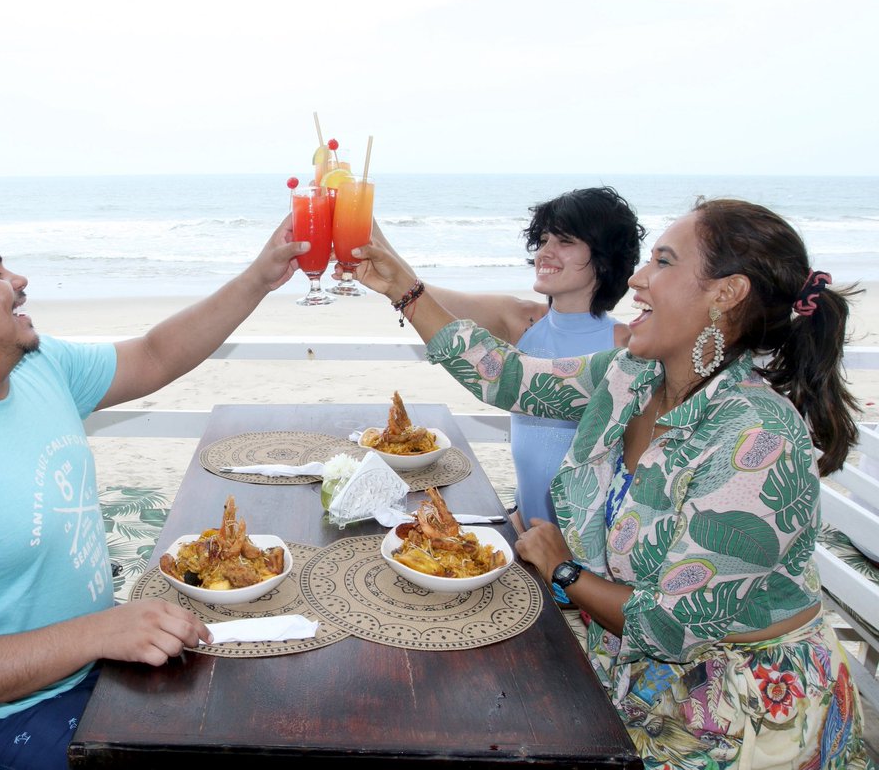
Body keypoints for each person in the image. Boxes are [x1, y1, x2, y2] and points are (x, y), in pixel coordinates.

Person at [350, 198, 873, 768]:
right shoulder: (633, 373)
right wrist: (403, 288)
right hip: (629, 668)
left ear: (726, 293)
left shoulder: (756, 441)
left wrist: (561, 567)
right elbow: (508, 378)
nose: (638, 279)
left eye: (664, 263)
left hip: (736, 714)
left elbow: (669, 626)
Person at [0, 204, 305, 770]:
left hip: (95, 665)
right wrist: (97, 633)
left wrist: (260, 277)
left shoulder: (35, 367)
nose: (19, 282)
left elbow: (154, 355)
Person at [379, 187, 644, 529]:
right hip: (523, 529)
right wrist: (368, 236)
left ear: (606, 258)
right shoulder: (520, 320)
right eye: (543, 240)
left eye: (564, 242)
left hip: (587, 553)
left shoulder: (626, 346)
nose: (545, 253)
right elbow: (420, 295)